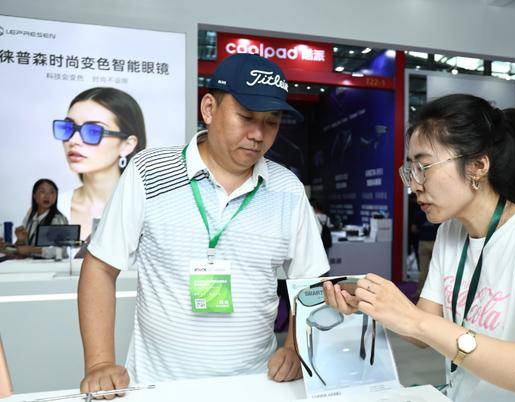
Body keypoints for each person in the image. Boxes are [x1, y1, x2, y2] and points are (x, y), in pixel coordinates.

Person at [78, 54, 329, 395]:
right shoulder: (149, 171)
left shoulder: (287, 190)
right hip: (158, 387)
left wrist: (295, 348)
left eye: (271, 122)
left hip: (256, 385)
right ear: (209, 109)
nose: (258, 134)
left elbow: (311, 281)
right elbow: (99, 267)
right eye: (246, 117)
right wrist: (99, 363)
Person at [324, 94, 515, 402]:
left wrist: (416, 321)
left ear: (477, 166)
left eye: (424, 167)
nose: (414, 185)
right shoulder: (450, 233)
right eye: (410, 170)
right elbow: (422, 332)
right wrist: (372, 305)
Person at [53, 87, 147, 240]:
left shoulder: (148, 210)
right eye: (68, 128)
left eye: (93, 131)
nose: (73, 140)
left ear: (127, 145)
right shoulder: (52, 208)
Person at [13, 179, 68, 258]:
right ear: (34, 195)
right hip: (31, 263)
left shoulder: (59, 219)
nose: (47, 196)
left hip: (52, 265)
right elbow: (24, 249)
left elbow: (60, 251)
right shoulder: (29, 217)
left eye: (52, 192)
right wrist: (20, 240)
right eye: (42, 192)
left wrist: (31, 249)